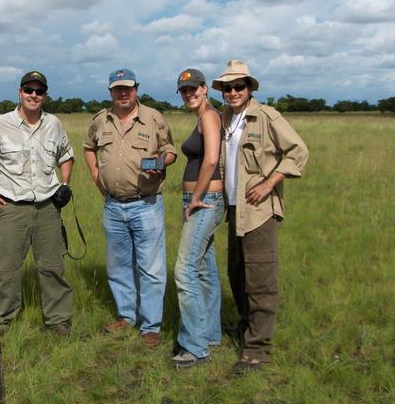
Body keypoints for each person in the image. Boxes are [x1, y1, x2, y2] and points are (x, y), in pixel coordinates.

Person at [211, 60, 309, 375]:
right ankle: (245, 328)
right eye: (228, 87)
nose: (233, 92)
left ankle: (258, 350)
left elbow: (298, 151)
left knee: (261, 279)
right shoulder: (225, 118)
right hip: (234, 208)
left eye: (240, 86)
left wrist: (268, 184)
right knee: (237, 274)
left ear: (250, 88)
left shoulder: (267, 117)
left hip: (259, 211)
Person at [83, 68, 177, 347]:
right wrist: (96, 176)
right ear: (110, 91)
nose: (122, 94)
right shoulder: (101, 119)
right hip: (113, 206)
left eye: (127, 88)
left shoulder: (153, 117)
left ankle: (151, 326)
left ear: (136, 89)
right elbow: (89, 146)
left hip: (146, 204)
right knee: (118, 266)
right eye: (117, 89)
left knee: (151, 268)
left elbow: (170, 149)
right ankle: (126, 316)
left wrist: (163, 162)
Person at [0, 71, 74, 336]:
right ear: (19, 92)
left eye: (39, 91)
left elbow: (66, 155)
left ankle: (58, 321)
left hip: (47, 207)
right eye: (28, 90)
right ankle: (2, 322)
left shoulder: (53, 124)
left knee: (53, 267)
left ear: (45, 96)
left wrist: (64, 185)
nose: (34, 95)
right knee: (5, 269)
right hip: (10, 207)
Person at [172, 69, 225, 368]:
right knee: (205, 268)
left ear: (205, 89)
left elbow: (212, 159)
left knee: (185, 269)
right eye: (184, 90)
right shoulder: (203, 116)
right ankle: (210, 333)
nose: (189, 94)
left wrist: (195, 198)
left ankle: (194, 345)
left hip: (206, 200)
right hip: (202, 198)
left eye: (194, 89)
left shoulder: (209, 116)